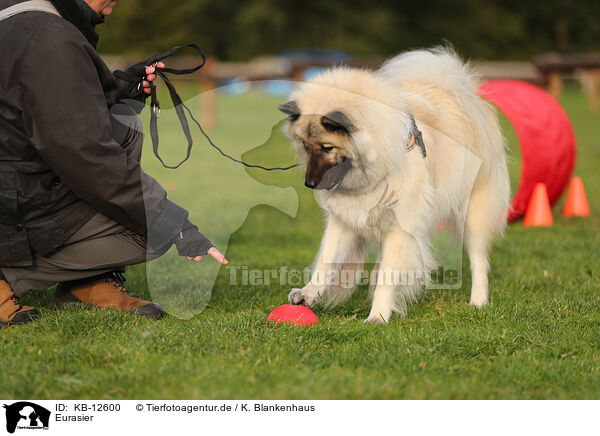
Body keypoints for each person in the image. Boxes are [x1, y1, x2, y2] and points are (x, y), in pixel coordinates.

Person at [0, 0, 228, 328]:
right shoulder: (49, 37)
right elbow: (87, 156)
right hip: (11, 205)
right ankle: (14, 272)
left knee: (122, 123)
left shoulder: (24, 16)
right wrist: (174, 225)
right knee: (148, 232)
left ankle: (87, 284)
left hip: (14, 184)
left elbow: (27, 118)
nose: (111, 8)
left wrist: (119, 92)